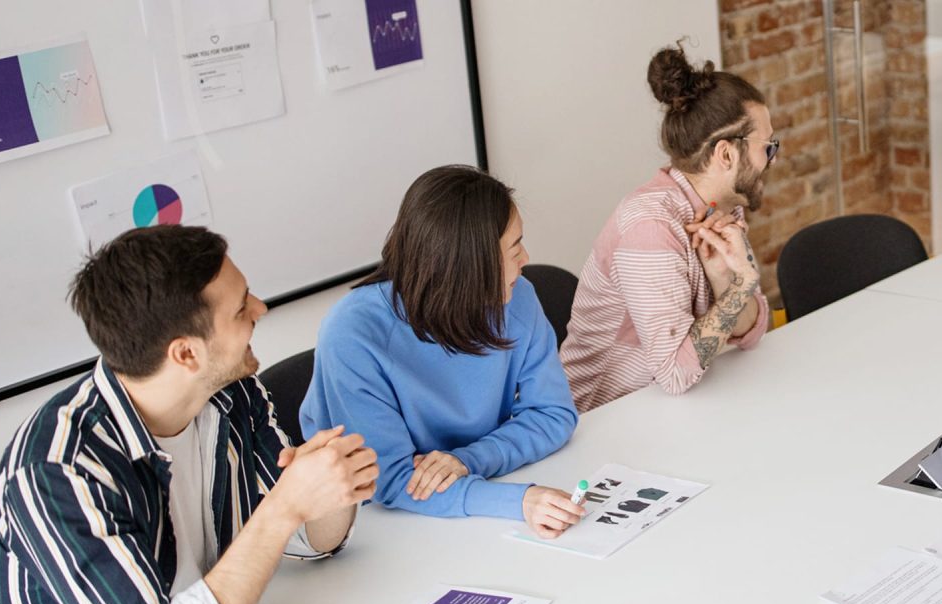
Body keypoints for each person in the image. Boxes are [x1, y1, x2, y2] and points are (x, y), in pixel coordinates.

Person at [0, 226, 376, 604]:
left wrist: (331, 489)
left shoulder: (232, 391)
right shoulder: (57, 470)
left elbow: (300, 541)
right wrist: (284, 507)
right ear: (187, 353)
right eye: (240, 308)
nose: (260, 309)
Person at [301, 166, 582, 538]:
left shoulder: (518, 298)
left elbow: (553, 413)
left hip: (471, 499)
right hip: (384, 529)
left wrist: (466, 460)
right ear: (470, 263)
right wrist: (519, 502)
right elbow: (390, 480)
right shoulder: (353, 334)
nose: (525, 258)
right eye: (514, 247)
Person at [559, 43, 774, 412]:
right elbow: (675, 373)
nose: (772, 159)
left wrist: (727, 284)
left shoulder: (721, 209)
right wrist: (740, 288)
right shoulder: (650, 226)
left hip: (675, 406)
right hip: (602, 420)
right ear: (726, 154)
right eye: (767, 147)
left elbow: (752, 331)